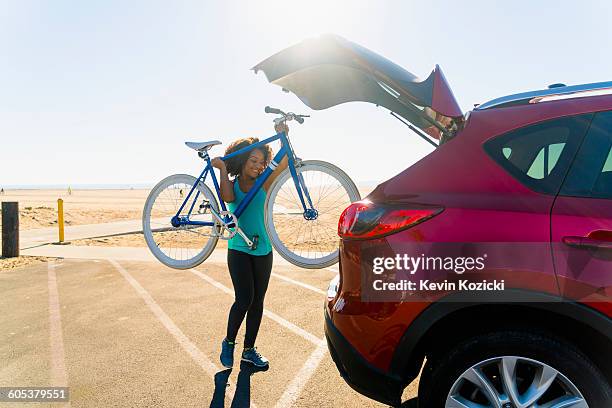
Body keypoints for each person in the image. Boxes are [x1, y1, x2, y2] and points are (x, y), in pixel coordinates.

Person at [210, 123, 288, 369]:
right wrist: (222, 168)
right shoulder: (233, 186)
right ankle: (229, 342)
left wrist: (284, 135)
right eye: (253, 160)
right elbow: (228, 198)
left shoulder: (264, 182)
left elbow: (286, 160)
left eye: (262, 162)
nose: (257, 165)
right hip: (239, 249)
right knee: (244, 299)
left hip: (263, 249)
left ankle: (249, 350)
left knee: (257, 302)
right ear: (243, 160)